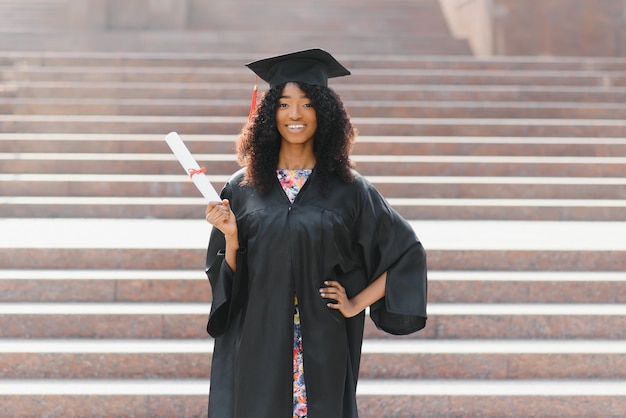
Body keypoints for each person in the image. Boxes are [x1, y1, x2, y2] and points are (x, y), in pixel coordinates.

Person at [204, 48, 427, 418]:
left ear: (324, 114)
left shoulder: (349, 189)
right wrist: (230, 236)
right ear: (269, 113)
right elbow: (228, 281)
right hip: (258, 338)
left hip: (322, 340)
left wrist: (356, 303)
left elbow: (407, 254)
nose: (295, 114)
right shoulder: (242, 188)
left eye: (307, 104)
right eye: (284, 104)